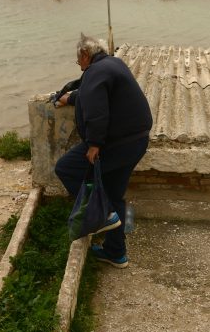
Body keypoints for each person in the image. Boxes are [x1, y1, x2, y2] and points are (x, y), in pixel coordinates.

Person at [53, 33, 152, 268]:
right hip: (136, 142)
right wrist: (70, 98)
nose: (80, 67)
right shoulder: (112, 64)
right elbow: (94, 95)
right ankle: (116, 252)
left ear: (85, 55)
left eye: (79, 62)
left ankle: (103, 215)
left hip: (115, 144)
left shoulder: (95, 72)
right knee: (114, 194)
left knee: (65, 169)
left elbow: (97, 110)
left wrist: (95, 144)